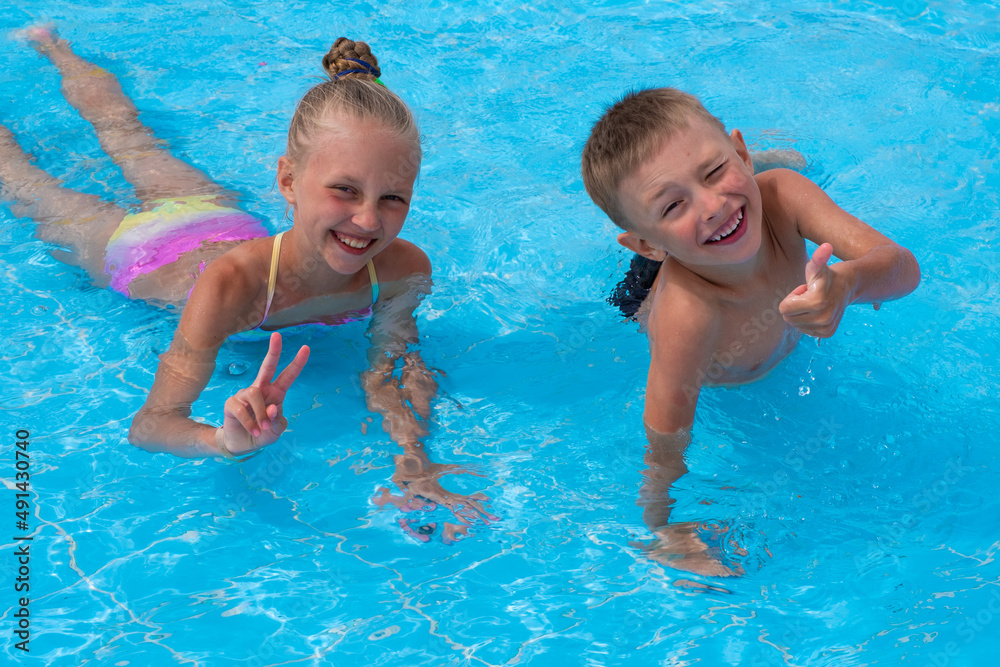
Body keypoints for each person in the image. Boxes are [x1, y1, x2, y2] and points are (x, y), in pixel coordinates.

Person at [0, 29, 492, 532]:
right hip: (140, 253)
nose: (368, 221)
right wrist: (220, 441)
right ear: (287, 182)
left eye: (393, 198)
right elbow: (151, 424)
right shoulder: (231, 289)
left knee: (133, 138)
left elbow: (394, 369)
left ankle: (52, 45)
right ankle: (53, 47)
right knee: (31, 175)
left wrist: (413, 462)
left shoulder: (402, 270)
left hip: (214, 217)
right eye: (345, 190)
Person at [581, 88, 920, 576]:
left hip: (707, 236)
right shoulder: (688, 318)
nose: (713, 205)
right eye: (674, 205)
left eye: (715, 171)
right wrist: (663, 527)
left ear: (738, 152)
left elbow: (903, 268)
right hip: (654, 290)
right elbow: (664, 438)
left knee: (759, 184)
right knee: (648, 287)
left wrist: (847, 284)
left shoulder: (782, 195)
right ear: (647, 242)